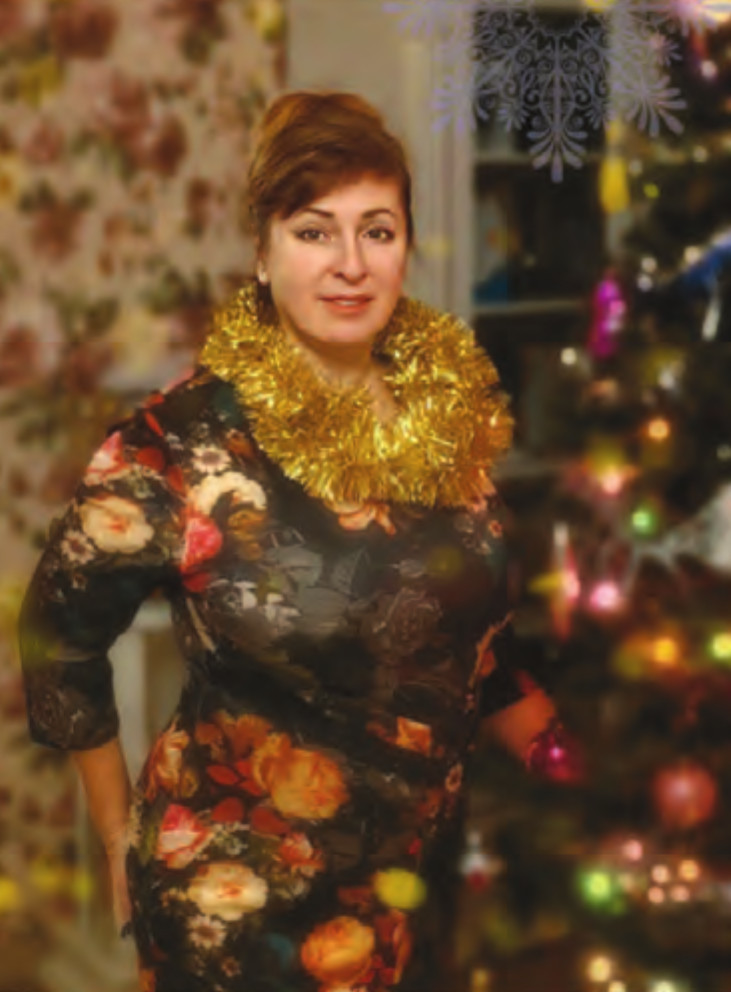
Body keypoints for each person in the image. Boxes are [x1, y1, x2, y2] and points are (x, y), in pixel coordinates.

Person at [19, 90, 572, 992]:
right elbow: (58, 635)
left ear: (406, 246)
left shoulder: (445, 417)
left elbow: (469, 638)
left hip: (416, 898)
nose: (350, 263)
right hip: (241, 921)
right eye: (314, 231)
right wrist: (118, 832)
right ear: (262, 252)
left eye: (376, 230)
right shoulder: (180, 443)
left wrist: (580, 775)